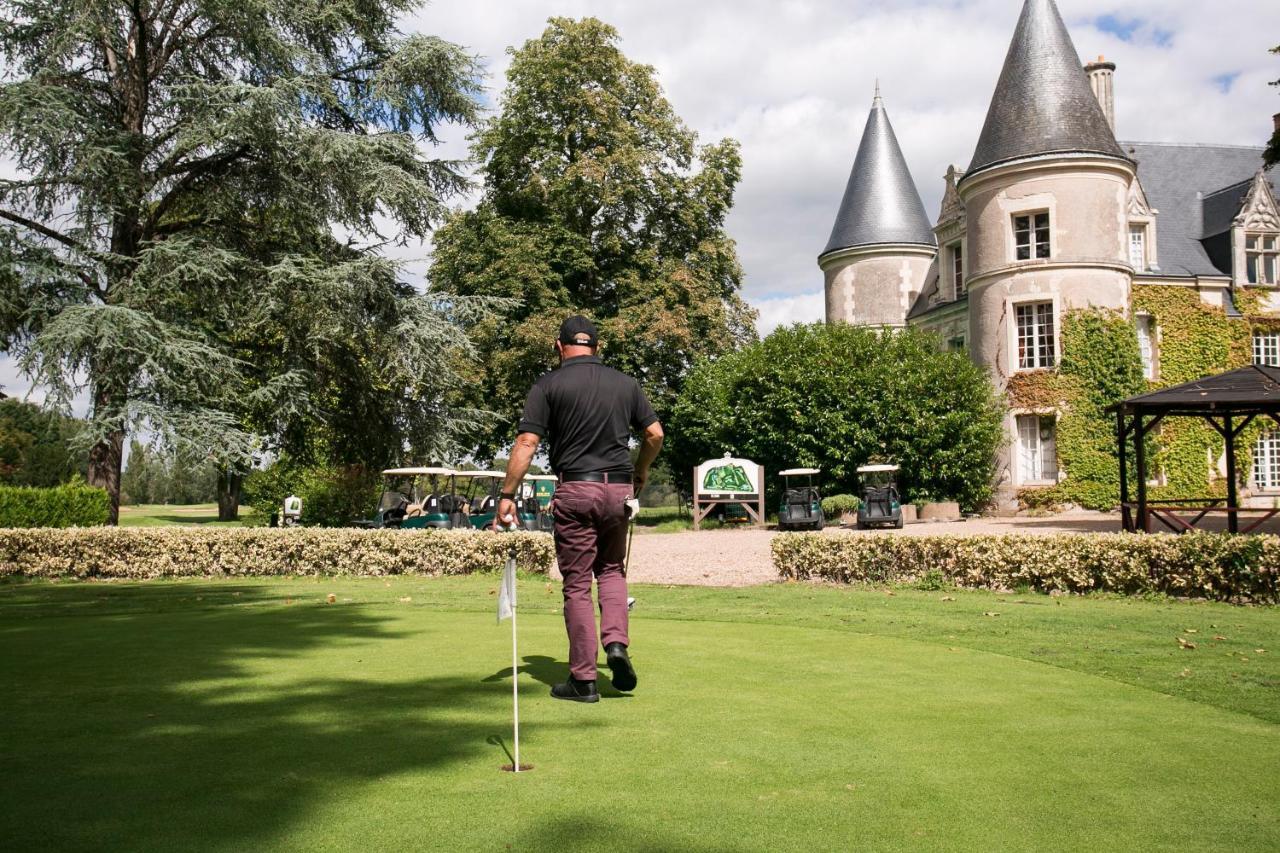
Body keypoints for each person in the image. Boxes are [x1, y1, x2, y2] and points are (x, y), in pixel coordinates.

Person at [497, 315, 664, 703]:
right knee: (611, 570)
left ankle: (584, 681)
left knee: (576, 584)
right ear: (597, 347)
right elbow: (654, 434)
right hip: (618, 491)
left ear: (559, 346)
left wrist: (507, 494)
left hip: (576, 488)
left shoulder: (548, 384)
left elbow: (526, 443)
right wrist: (640, 470)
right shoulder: (626, 383)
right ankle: (617, 645)